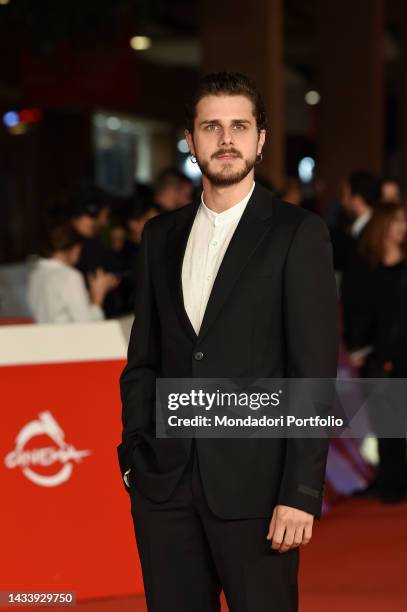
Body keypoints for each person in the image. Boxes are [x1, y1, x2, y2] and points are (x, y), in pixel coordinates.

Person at [118, 72, 338, 612]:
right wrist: (133, 457)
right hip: (164, 487)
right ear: (191, 141)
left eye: (239, 126)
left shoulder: (297, 234)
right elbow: (143, 358)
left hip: (257, 492)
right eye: (211, 127)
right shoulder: (159, 236)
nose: (226, 139)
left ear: (260, 140)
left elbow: (312, 373)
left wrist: (300, 492)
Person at [347, 203, 407, 503]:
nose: (402, 226)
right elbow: (357, 310)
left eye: (404, 221)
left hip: (401, 352)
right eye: (396, 220)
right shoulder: (365, 266)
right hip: (374, 353)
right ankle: (389, 478)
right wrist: (357, 346)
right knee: (384, 420)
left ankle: (395, 480)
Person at [28, 224, 117, 323]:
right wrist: (98, 297)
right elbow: (87, 324)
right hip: (68, 337)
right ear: (76, 248)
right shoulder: (69, 276)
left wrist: (92, 293)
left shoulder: (36, 273)